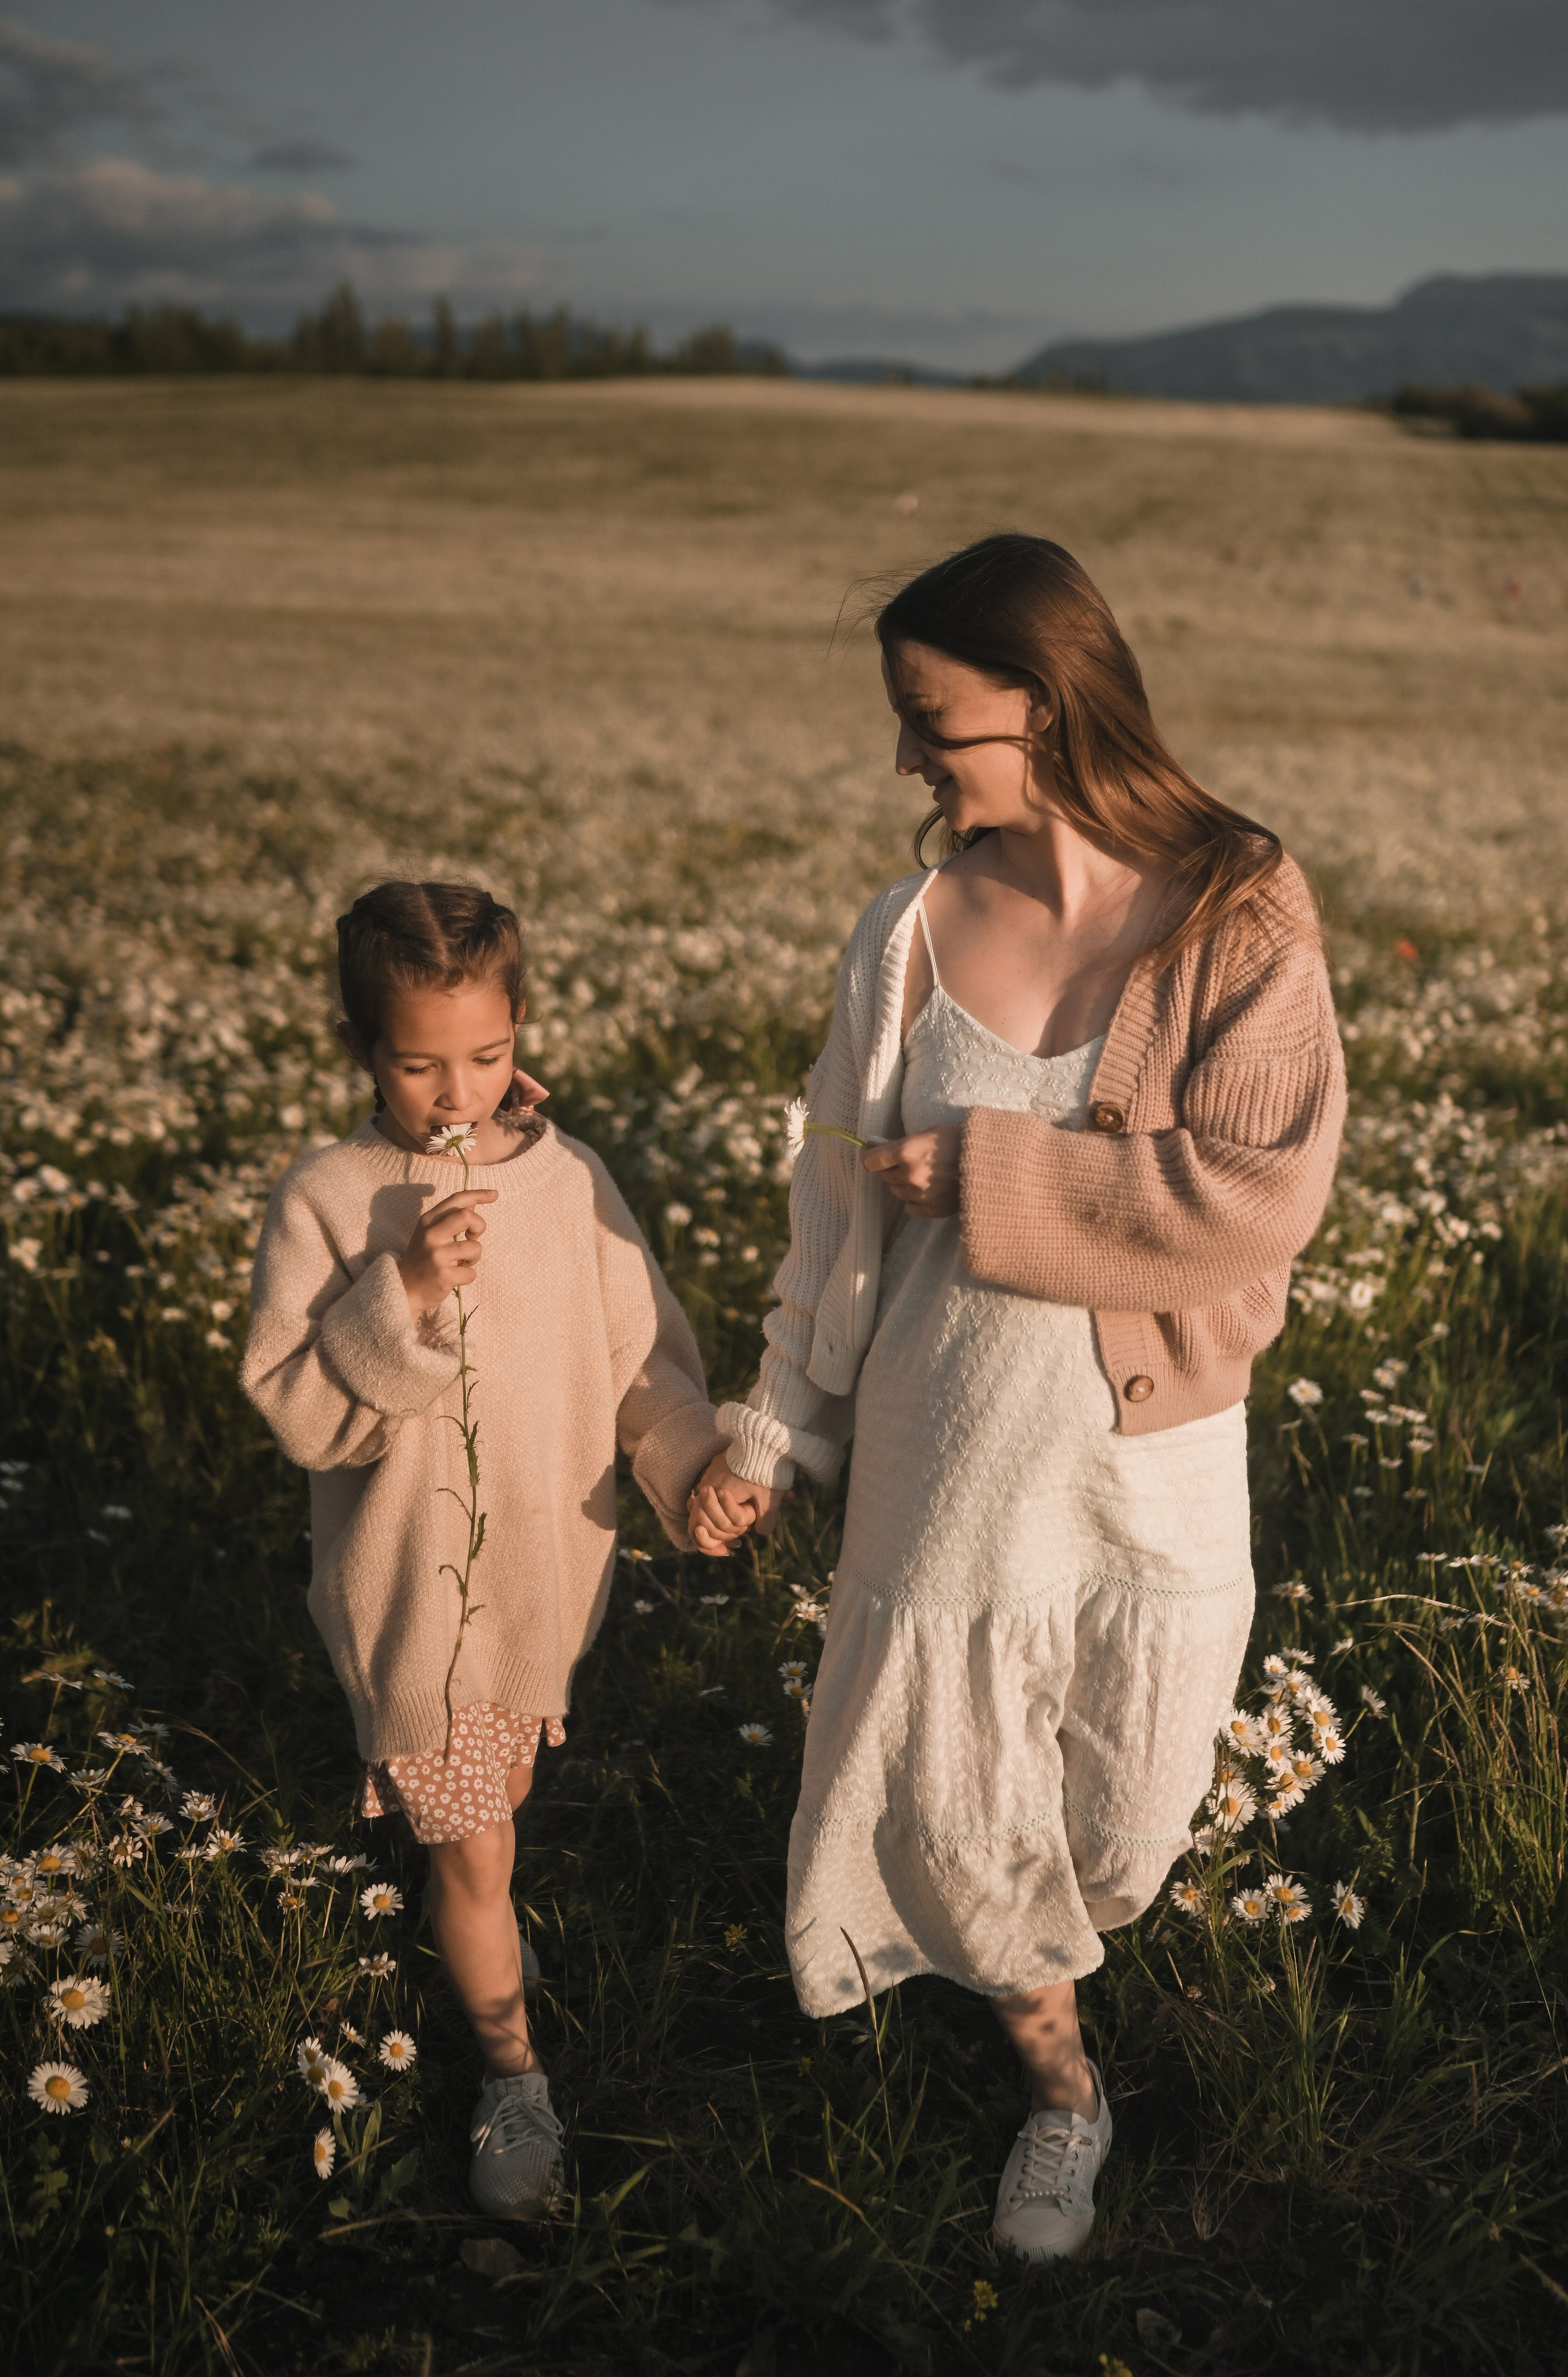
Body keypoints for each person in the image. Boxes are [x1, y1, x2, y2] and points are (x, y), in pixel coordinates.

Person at [687, 534, 1346, 2261]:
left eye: (933, 719)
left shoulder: (1239, 904)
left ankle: (1053, 1967)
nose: (908, 757)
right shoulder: (902, 936)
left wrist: (993, 1172)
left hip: (1153, 1457)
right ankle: (1066, 2096)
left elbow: (1257, 1194)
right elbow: (830, 1201)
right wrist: (778, 1420)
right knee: (963, 1793)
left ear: (1043, 706)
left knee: (1132, 1807)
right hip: (945, 1448)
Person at [243, 881, 724, 2216]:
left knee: (493, 1814)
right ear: (360, 1050)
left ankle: (476, 1949)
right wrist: (395, 1294)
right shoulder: (334, 1198)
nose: (455, 1088)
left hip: (540, 1590)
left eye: (486, 1053)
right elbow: (301, 1411)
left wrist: (692, 1467)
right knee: (476, 1852)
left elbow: (638, 1362)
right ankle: (513, 2079)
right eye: (415, 1062)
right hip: (412, 1607)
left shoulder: (567, 1183)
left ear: (521, 1029)